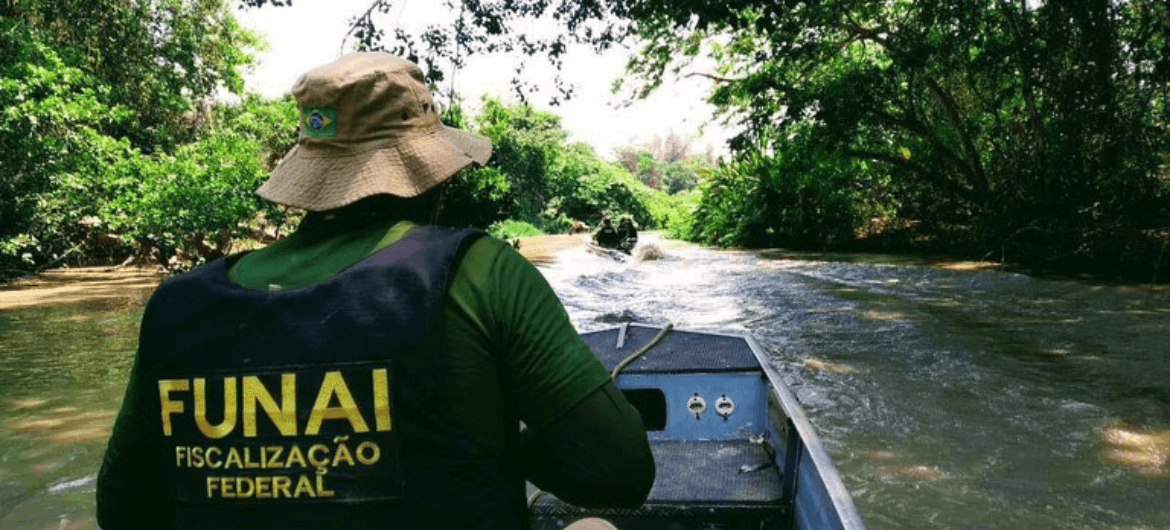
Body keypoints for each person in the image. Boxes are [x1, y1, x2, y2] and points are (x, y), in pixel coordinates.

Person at [96, 52, 654, 530]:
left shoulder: (177, 305)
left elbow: (124, 509)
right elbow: (621, 471)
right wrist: (499, 442)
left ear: (309, 180)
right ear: (432, 173)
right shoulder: (482, 272)